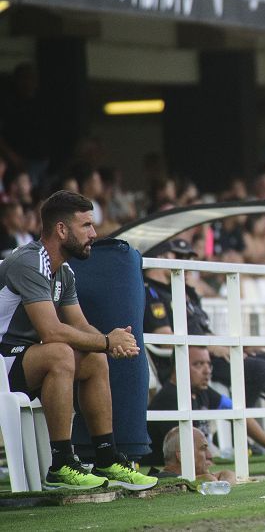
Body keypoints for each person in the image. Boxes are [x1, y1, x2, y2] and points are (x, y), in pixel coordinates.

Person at [0, 191, 158, 490]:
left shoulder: (65, 272)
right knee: (60, 352)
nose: (94, 234)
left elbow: (81, 326)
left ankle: (106, 457)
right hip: (2, 359)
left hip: (23, 360)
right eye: (86, 225)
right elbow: (52, 332)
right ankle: (61, 465)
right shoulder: (28, 262)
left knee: (94, 357)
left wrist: (113, 341)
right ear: (61, 229)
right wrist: (107, 342)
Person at [143, 239, 265, 435]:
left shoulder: (181, 290)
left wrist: (229, 345)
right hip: (189, 360)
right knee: (259, 369)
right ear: (161, 258)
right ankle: (240, 437)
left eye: (189, 258)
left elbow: (203, 330)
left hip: (206, 352)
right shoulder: (152, 292)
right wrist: (208, 346)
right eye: (180, 257)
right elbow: (164, 339)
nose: (187, 264)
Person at [145, 346, 265, 466]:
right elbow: (183, 456)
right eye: (198, 364)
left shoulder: (202, 391)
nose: (207, 371)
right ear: (178, 366)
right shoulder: (168, 400)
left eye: (209, 364)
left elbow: (237, 413)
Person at [153, 426, 236, 483]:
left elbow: (226, 473)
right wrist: (206, 479)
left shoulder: (181, 478)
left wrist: (222, 483)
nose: (210, 455)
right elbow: (208, 479)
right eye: (203, 448)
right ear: (183, 456)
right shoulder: (160, 482)